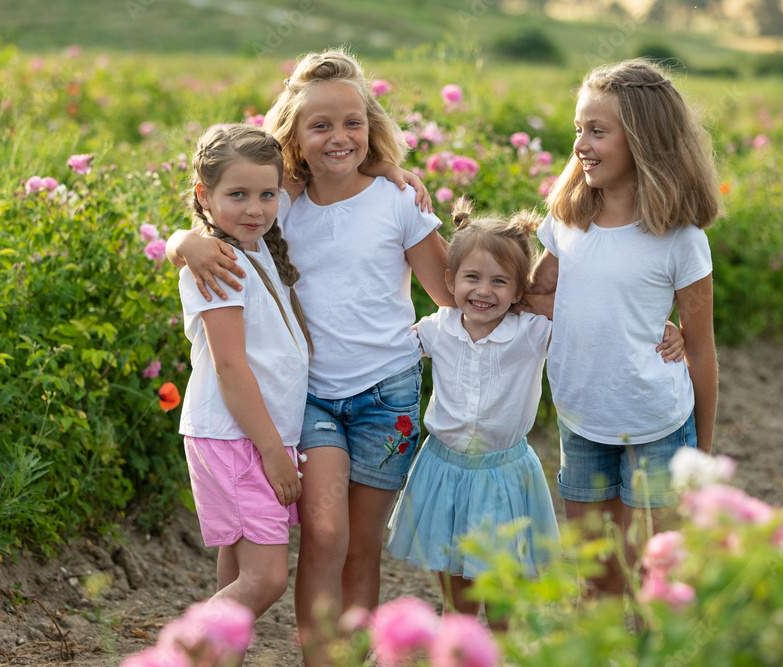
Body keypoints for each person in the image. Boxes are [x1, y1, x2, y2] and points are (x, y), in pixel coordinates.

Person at [167, 50, 452, 666]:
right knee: (325, 533)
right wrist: (181, 240)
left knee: (361, 546)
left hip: (389, 394)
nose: (338, 137)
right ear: (293, 132)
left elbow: (455, 294)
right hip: (314, 398)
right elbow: (215, 218)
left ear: (371, 126)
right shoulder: (280, 201)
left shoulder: (398, 201)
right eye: (320, 125)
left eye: (353, 122)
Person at [528, 58, 720, 596]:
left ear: (642, 139)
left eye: (597, 131)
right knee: (595, 574)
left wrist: (701, 451)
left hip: (657, 423)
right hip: (582, 418)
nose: (581, 145)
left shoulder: (680, 239)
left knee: (657, 573)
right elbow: (541, 296)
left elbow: (701, 350)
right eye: (578, 130)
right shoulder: (566, 221)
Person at [385, 203, 560, 623]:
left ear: (520, 291)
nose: (484, 291)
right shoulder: (436, 328)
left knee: (502, 597)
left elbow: (596, 323)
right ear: (450, 280)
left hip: (503, 473)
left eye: (500, 282)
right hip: (444, 471)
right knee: (457, 599)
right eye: (472, 278)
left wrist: (662, 327)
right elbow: (384, 351)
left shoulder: (534, 333)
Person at [176, 123, 311, 624]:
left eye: (266, 194)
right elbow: (231, 367)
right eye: (237, 195)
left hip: (248, 435)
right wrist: (275, 452)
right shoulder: (219, 262)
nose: (255, 208)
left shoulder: (252, 245)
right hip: (239, 437)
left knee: (237, 570)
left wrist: (388, 166)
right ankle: (179, 654)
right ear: (204, 197)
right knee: (265, 578)